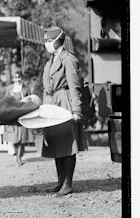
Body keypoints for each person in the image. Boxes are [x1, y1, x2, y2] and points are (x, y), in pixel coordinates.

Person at [41, 26, 87, 196]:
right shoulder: (50, 61)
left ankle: (68, 183)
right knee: (56, 145)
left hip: (65, 103)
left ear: (58, 40)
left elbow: (75, 87)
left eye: (48, 40)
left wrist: (77, 111)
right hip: (52, 104)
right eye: (45, 41)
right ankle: (60, 181)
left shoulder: (69, 59)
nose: (46, 44)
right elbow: (46, 88)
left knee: (68, 145)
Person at [4, 71, 31, 165]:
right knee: (14, 137)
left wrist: (26, 100)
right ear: (13, 78)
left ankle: (18, 158)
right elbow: (5, 101)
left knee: (21, 138)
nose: (17, 79)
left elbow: (30, 101)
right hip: (12, 114)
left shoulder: (26, 88)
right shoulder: (9, 88)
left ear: (22, 78)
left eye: (19, 77)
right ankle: (18, 154)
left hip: (22, 114)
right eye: (15, 78)